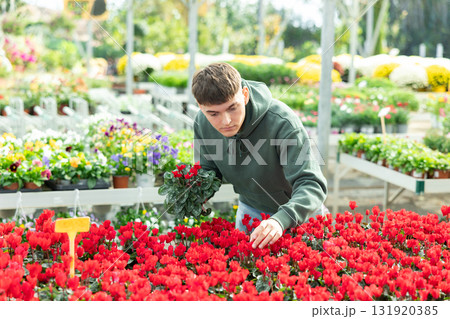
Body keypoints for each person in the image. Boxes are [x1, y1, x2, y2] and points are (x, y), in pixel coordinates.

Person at [192, 62, 327, 249]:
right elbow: (209, 170)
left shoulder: (282, 123)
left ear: (245, 95)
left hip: (299, 214)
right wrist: (195, 193)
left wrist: (280, 220)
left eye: (233, 108)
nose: (226, 121)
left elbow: (312, 184)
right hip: (251, 210)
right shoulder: (202, 123)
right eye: (213, 113)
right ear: (200, 106)